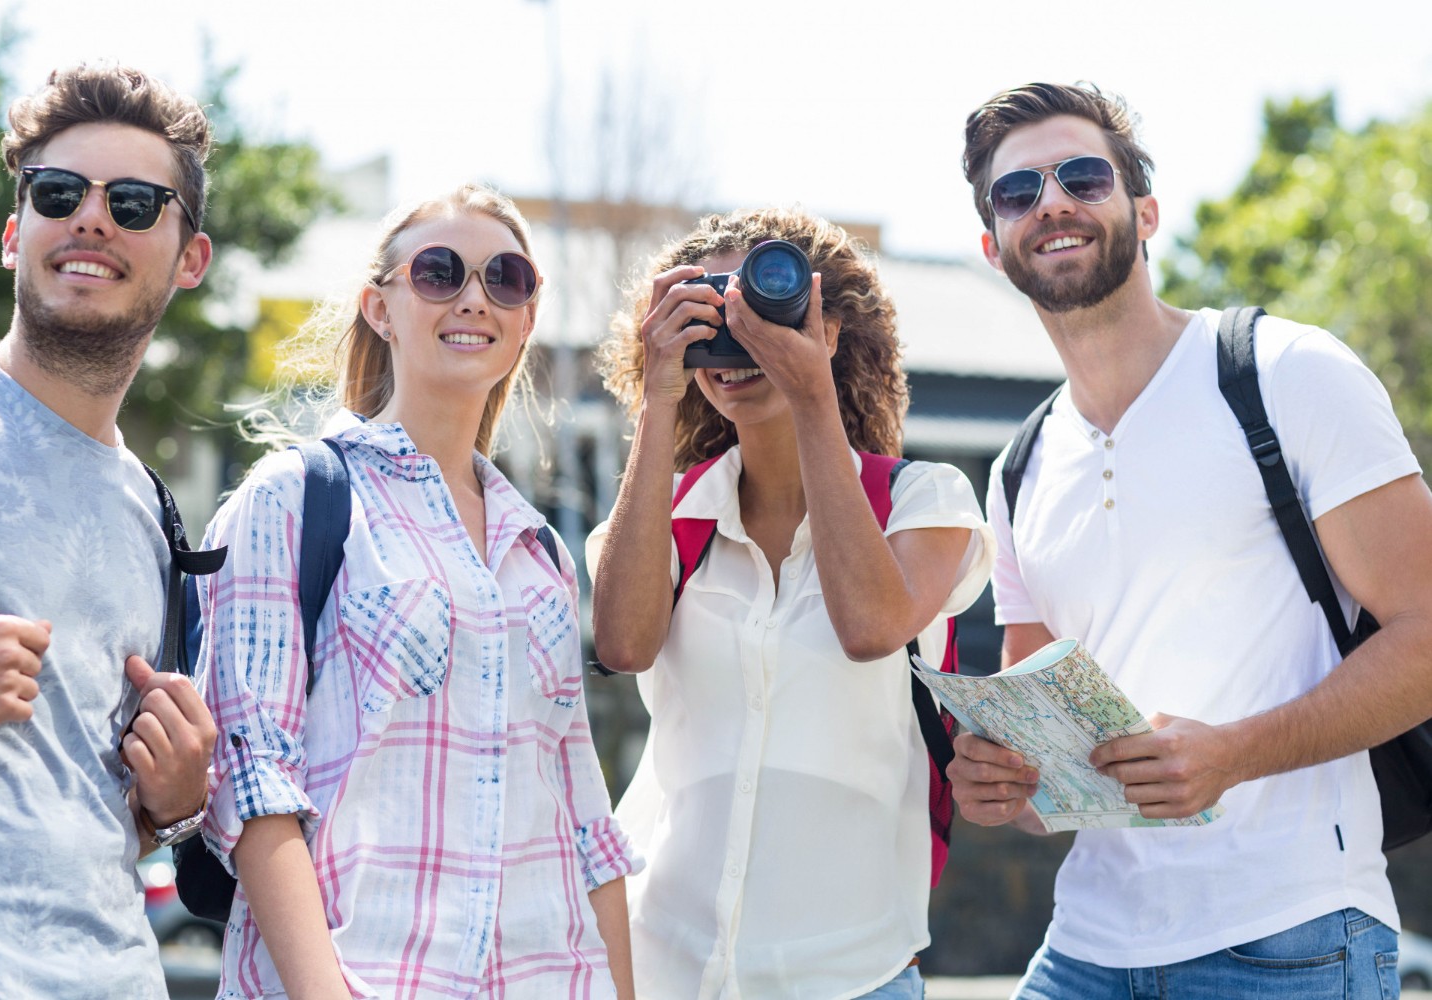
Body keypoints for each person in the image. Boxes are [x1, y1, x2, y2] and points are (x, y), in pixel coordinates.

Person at [950, 81, 1432, 999]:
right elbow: (1056, 772)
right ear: (993, 244)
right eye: (1020, 192)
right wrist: (1005, 787)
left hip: (1293, 939)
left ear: (1145, 209)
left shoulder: (1286, 373)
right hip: (1085, 951)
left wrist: (1235, 753)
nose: (1053, 202)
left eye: (1084, 177)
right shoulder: (1016, 474)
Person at [195, 183, 639, 1000]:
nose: (475, 297)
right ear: (379, 307)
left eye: (506, 278)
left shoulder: (539, 551)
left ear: (527, 319)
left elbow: (586, 819)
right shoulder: (294, 497)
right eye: (440, 272)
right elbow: (252, 777)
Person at [587, 207, 995, 1000]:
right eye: (711, 315)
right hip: (665, 964)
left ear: (831, 330)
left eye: (757, 310)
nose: (734, 343)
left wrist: (810, 395)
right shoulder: (664, 521)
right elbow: (622, 645)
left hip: (852, 976)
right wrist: (658, 397)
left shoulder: (923, 504)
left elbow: (871, 626)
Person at [0, 64, 217, 996]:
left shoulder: (156, 513)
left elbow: (97, 808)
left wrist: (171, 803)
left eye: (135, 203)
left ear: (189, 259)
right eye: (61, 193)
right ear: (17, 232)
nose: (93, 219)